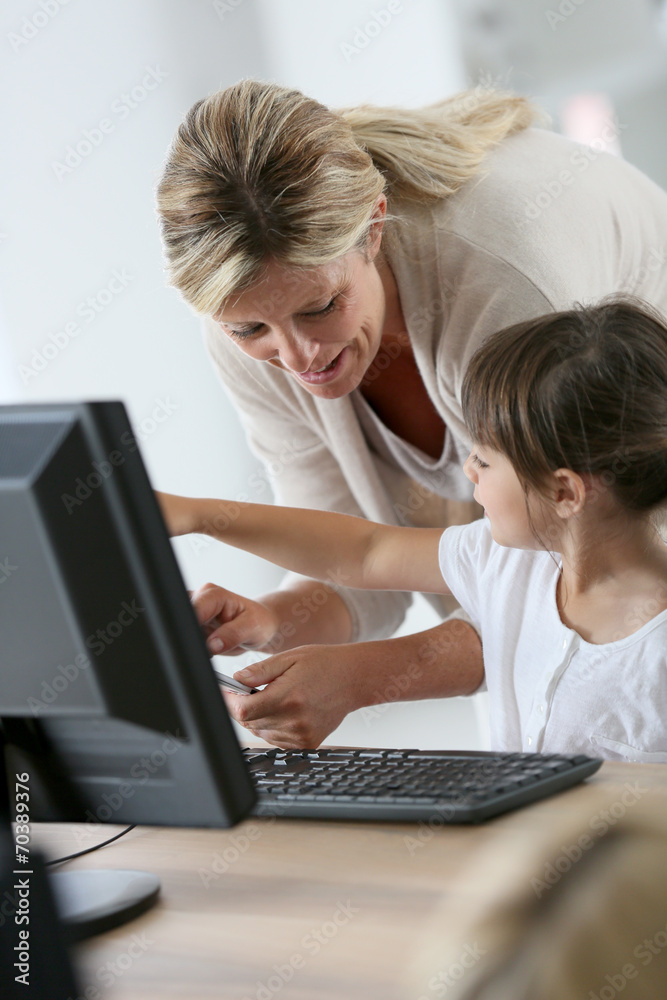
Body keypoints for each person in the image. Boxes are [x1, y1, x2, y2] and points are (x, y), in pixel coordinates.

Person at [155, 80, 667, 749]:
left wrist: (360, 678)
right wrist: (271, 616)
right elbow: (359, 550)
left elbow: (544, 607)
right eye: (250, 328)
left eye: (319, 308)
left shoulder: (507, 293)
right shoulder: (251, 306)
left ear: (373, 226)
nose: (297, 354)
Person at [159, 299, 667, 758]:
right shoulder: (505, 560)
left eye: (484, 461)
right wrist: (200, 516)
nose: (467, 470)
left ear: (563, 493)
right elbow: (365, 550)